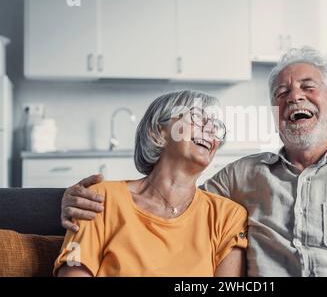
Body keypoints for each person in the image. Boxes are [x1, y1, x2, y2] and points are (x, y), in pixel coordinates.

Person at [60, 47, 327, 276]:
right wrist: (68, 199)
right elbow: (169, 198)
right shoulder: (241, 178)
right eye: (281, 93)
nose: (293, 97)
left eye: (307, 87)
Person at [54, 90, 248, 277]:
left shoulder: (227, 216)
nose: (211, 130)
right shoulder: (99, 199)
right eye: (197, 117)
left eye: (216, 126)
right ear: (158, 131)